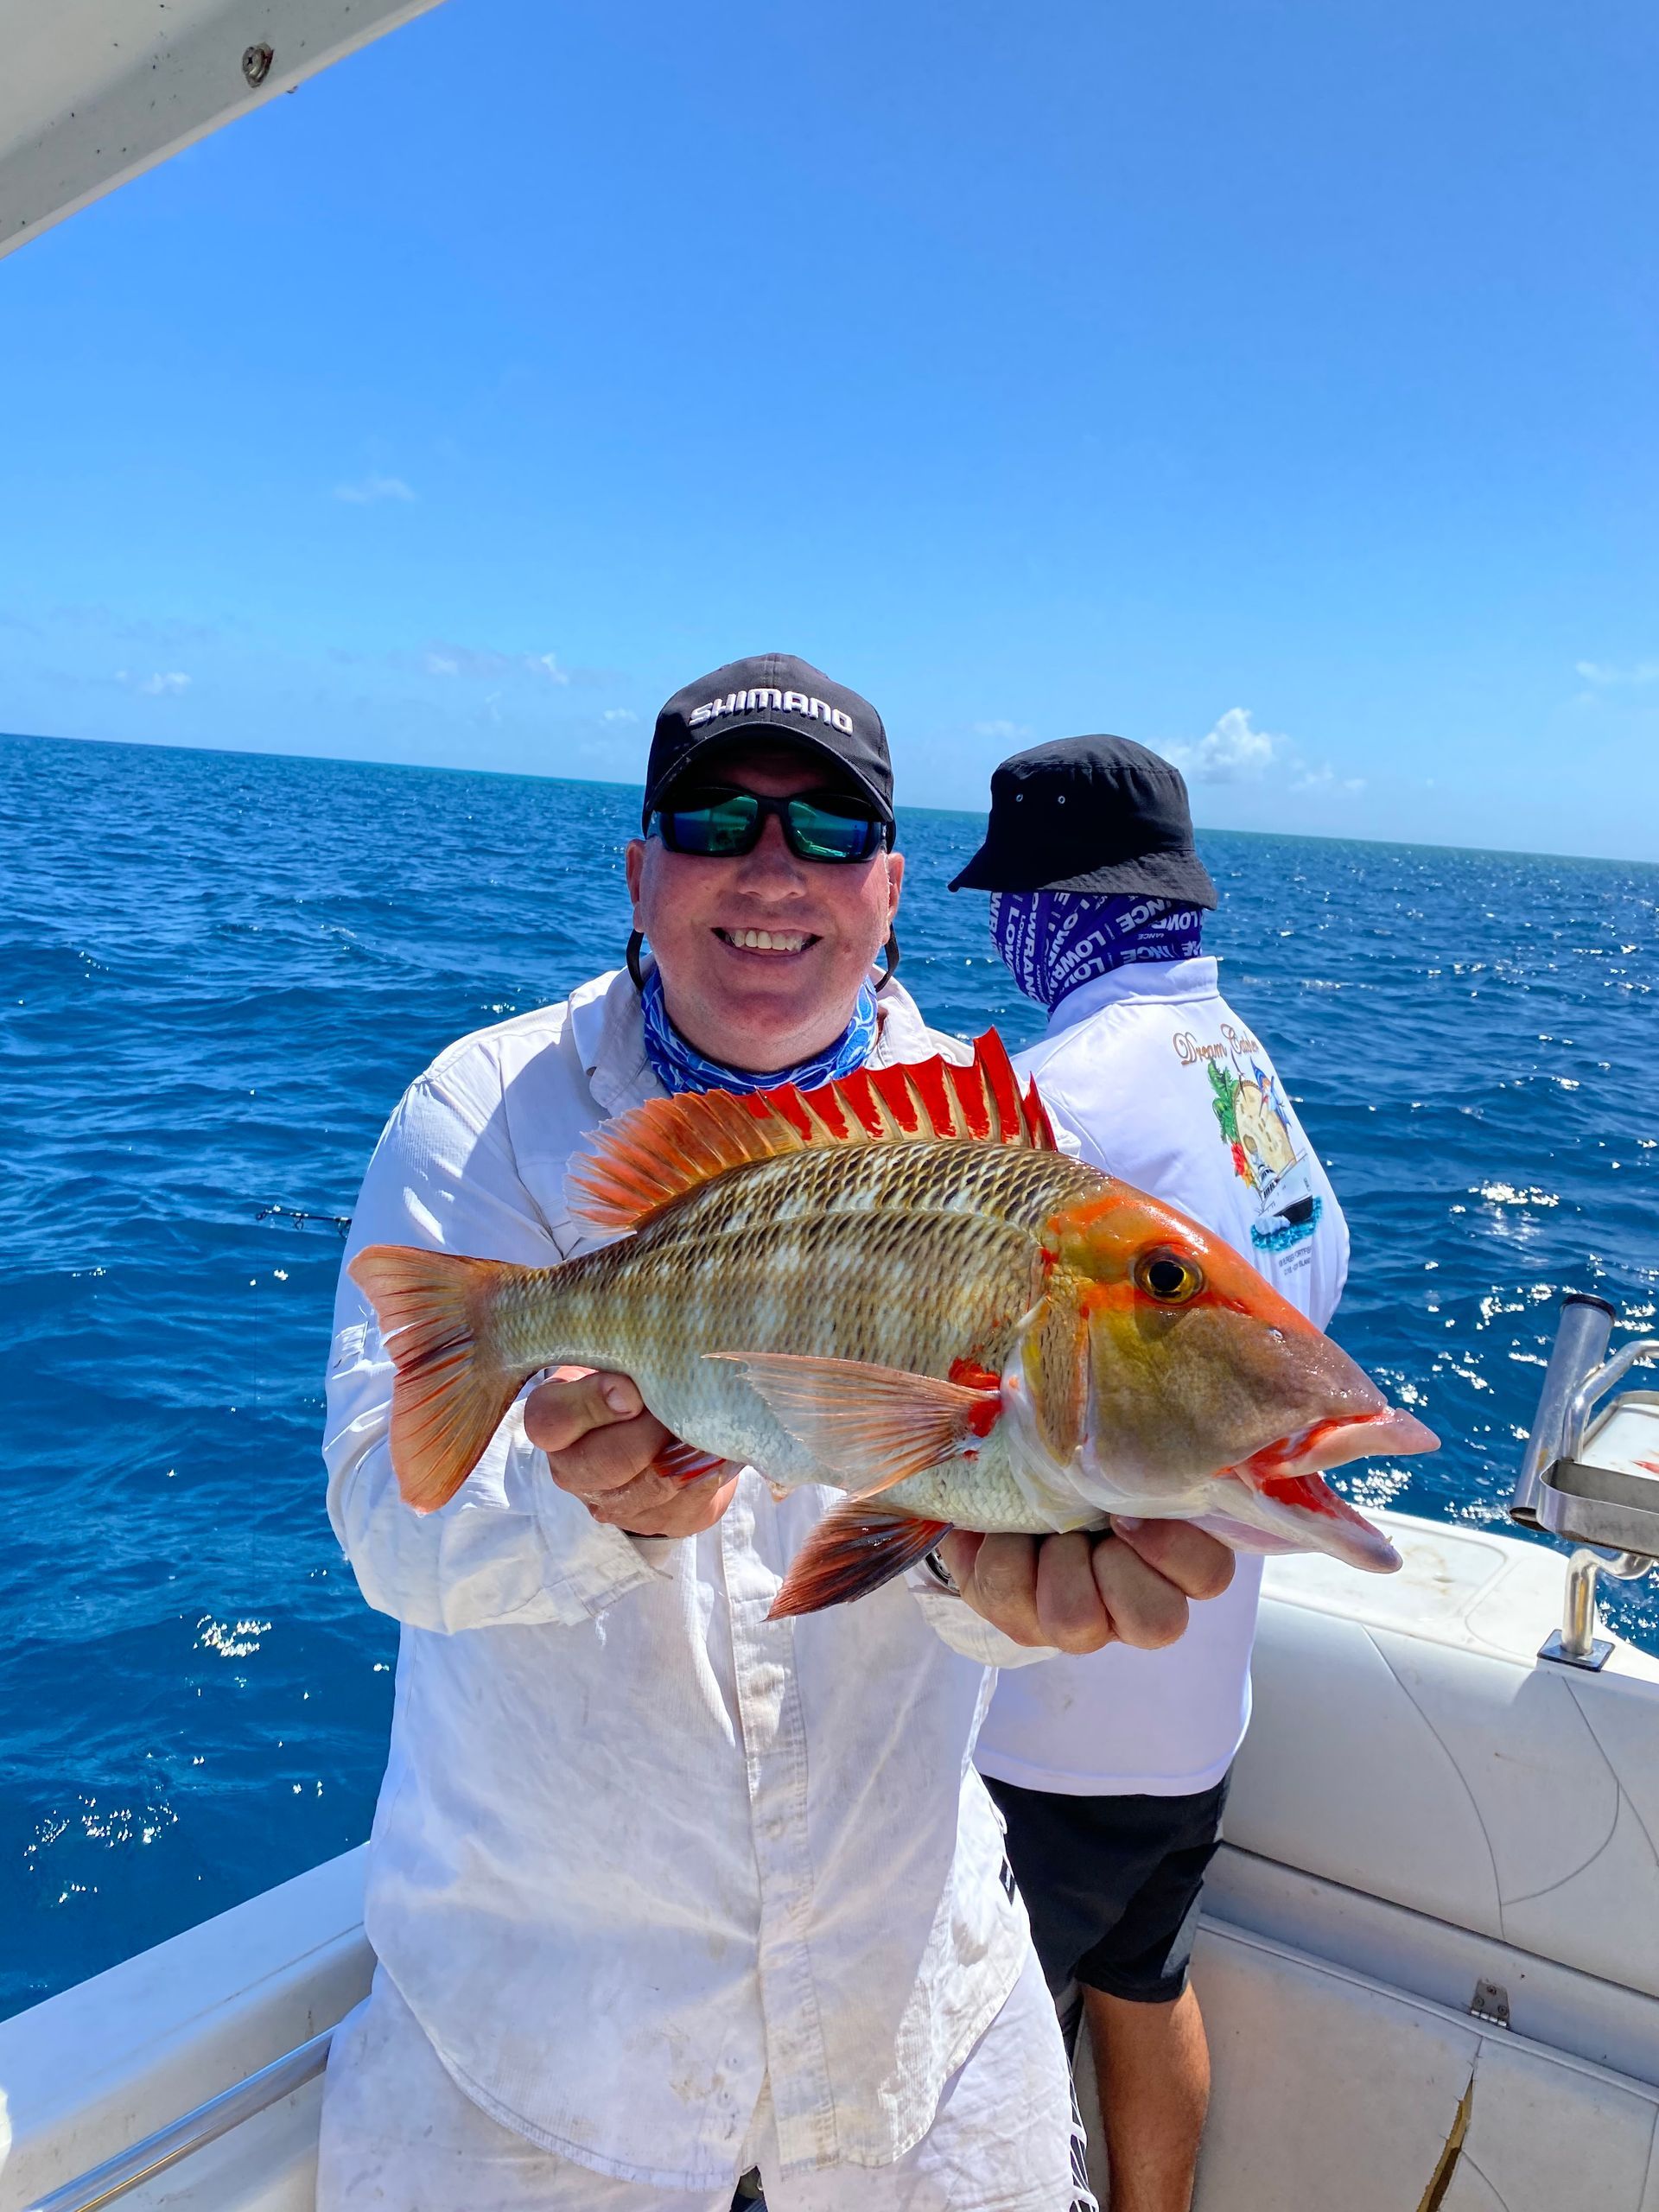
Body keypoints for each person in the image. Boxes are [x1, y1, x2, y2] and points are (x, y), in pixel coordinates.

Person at [316, 659, 1232, 2212]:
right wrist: (587, 1511)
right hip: (536, 2063)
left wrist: (996, 1590)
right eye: (715, 816)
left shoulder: (1016, 1160)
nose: (768, 868)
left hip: (915, 2045)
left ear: (887, 888)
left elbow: (976, 1540)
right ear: (641, 869)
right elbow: (384, 1520)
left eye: (826, 833)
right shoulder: (478, 1117)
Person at [951, 736, 1351, 2212]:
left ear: (1053, 907)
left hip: (1055, 1723)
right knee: (1145, 1976)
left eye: (1009, 896)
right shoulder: (1243, 1063)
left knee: (961, 2077)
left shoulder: (1056, 1101)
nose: (997, 928)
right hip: (1203, 1706)